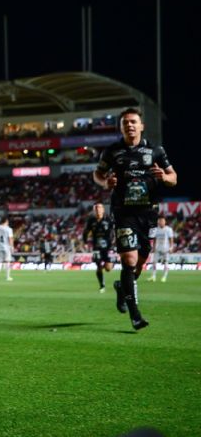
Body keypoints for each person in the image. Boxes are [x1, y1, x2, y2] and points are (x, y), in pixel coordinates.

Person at [93, 107, 177, 330]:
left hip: (148, 213)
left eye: (133, 122)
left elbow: (174, 177)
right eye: (125, 123)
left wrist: (164, 177)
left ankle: (122, 287)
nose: (129, 125)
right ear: (121, 128)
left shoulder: (155, 151)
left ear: (141, 126)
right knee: (129, 261)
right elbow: (98, 174)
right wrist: (105, 183)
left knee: (139, 265)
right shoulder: (112, 151)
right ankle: (135, 315)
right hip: (123, 213)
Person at [82, 202, 115, 292]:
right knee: (98, 266)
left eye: (100, 208)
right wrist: (85, 242)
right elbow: (86, 231)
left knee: (108, 268)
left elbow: (114, 230)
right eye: (96, 208)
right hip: (96, 246)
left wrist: (114, 240)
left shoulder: (108, 219)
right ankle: (102, 286)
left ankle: (106, 265)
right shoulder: (91, 220)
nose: (98, 210)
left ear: (103, 209)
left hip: (108, 247)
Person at [148, 216, 174, 283]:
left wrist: (171, 247)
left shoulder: (168, 229)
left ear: (165, 222)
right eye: (160, 221)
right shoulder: (156, 229)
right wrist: (153, 248)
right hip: (157, 248)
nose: (161, 222)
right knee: (154, 262)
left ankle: (164, 277)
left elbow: (171, 239)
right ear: (158, 222)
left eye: (162, 221)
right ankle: (153, 276)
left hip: (166, 249)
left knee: (166, 263)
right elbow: (155, 239)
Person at [0, 216, 14, 281]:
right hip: (6, 247)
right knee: (7, 261)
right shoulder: (8, 229)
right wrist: (12, 247)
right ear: (6, 221)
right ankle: (7, 277)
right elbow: (10, 238)